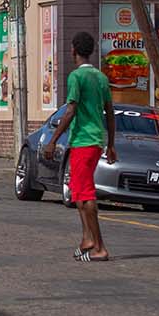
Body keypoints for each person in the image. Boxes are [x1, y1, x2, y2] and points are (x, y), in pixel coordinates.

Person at [43, 31, 117, 262]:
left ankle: (100, 246)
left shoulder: (77, 77)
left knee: (86, 195)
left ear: (74, 49)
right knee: (78, 192)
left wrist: (53, 139)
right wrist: (111, 144)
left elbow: (71, 109)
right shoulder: (101, 78)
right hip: (94, 140)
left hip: (83, 141)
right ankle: (87, 237)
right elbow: (110, 112)